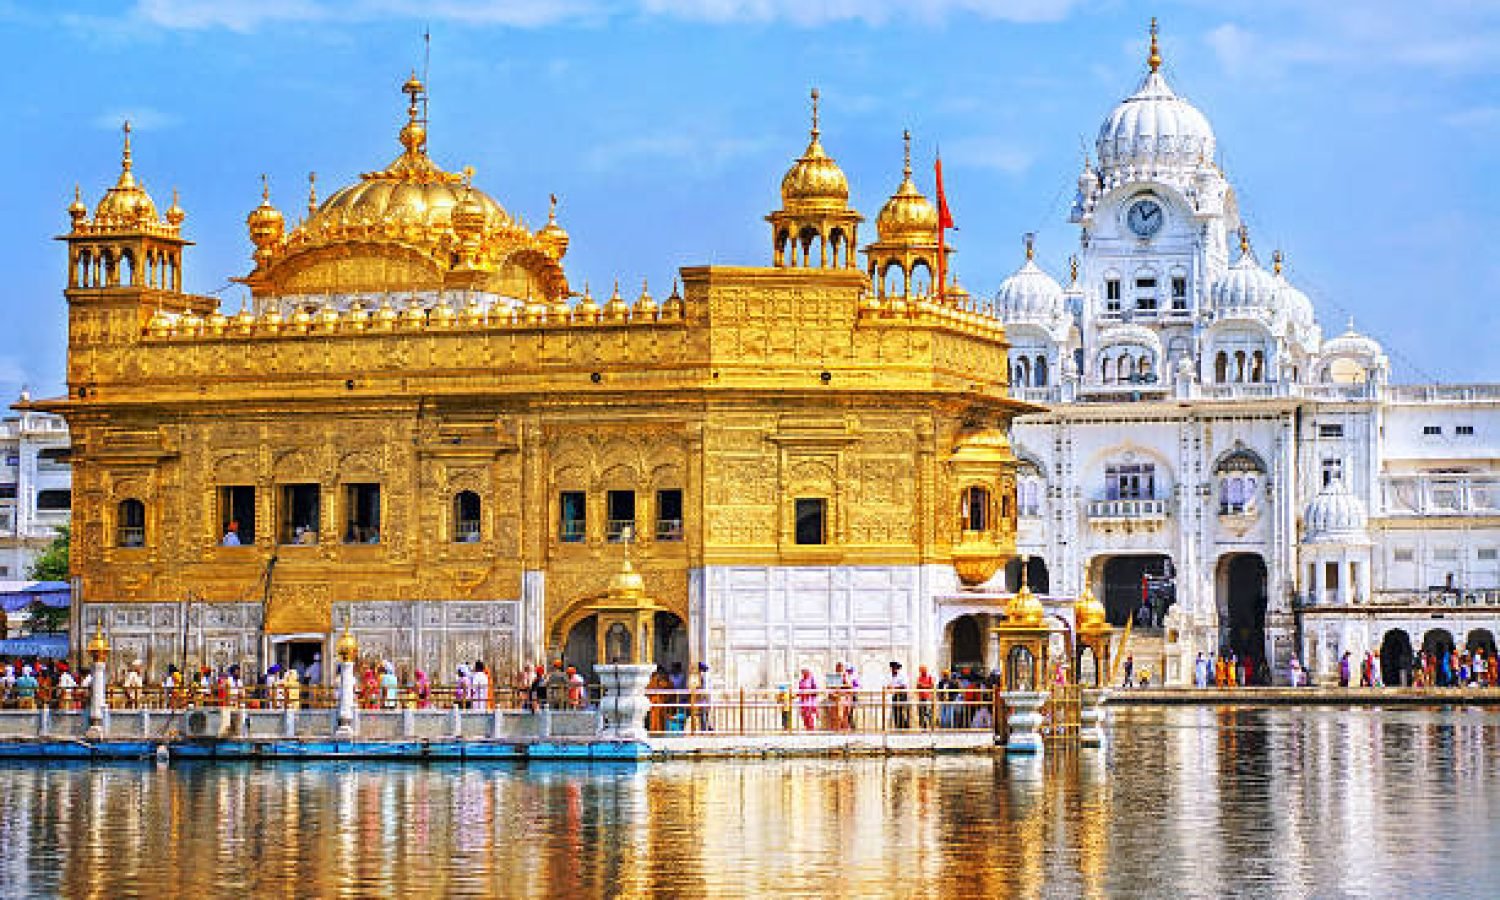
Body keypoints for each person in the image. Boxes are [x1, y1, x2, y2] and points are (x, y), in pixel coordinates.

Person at [691, 662, 714, 732]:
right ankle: (709, 726)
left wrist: (697, 690)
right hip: (707, 696)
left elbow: (703, 687)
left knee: (703, 712)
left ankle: (704, 728)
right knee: (707, 712)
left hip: (704, 696)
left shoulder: (703, 675)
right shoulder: (708, 675)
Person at [647, 665, 671, 731]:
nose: (660, 674)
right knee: (653, 721)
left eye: (661, 673)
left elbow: (669, 689)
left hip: (662, 704)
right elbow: (649, 689)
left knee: (662, 721)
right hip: (654, 704)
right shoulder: (652, 680)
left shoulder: (666, 680)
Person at [887, 661, 910, 730]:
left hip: (902, 695)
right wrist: (892, 688)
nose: (894, 669)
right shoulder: (890, 676)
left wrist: (894, 687)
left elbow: (904, 686)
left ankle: (905, 724)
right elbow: (888, 685)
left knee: (903, 710)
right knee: (895, 710)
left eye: (896, 668)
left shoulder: (902, 675)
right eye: (893, 668)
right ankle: (897, 725)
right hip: (895, 695)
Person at [915, 665, 935, 730]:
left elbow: (932, 686)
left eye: (923, 670)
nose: (922, 672)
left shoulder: (929, 677)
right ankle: (923, 726)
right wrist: (920, 686)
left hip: (927, 697)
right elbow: (917, 686)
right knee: (921, 712)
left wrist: (923, 686)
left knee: (928, 712)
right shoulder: (919, 678)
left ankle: (931, 725)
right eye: (921, 671)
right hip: (921, 697)